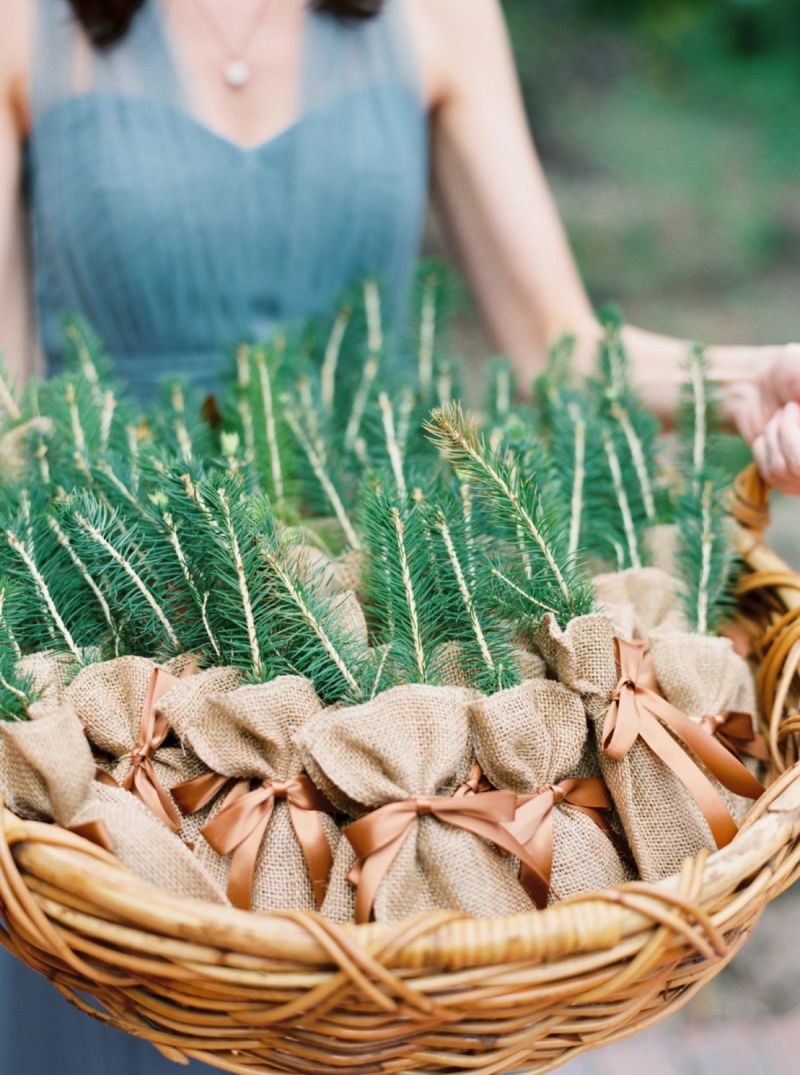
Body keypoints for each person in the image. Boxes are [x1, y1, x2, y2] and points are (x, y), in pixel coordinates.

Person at [0, 1, 797, 1071]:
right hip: (119, 596)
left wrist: (748, 381)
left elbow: (553, 342)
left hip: (382, 590)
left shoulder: (437, 14)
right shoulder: (24, 25)